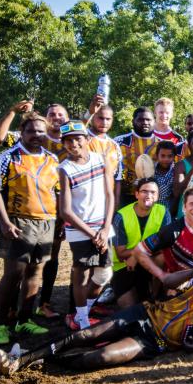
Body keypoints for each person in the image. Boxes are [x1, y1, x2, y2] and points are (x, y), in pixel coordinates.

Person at [0, 258, 193, 375]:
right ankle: (21, 358)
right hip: (143, 315)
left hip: (155, 342)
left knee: (98, 357)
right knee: (85, 334)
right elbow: (168, 281)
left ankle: (43, 360)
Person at [0, 101, 70, 319]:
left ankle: (25, 319)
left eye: (40, 131)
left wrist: (61, 222)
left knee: (35, 272)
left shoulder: (52, 159)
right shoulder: (6, 158)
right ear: (22, 132)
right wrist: (5, 222)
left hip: (47, 222)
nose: (36, 135)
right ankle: (2, 323)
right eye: (31, 131)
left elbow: (59, 192)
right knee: (14, 274)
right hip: (18, 221)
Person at [57, 120, 115, 330]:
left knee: (104, 273)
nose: (73, 144)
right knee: (81, 275)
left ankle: (83, 312)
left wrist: (106, 228)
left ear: (87, 140)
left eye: (77, 139)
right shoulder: (65, 169)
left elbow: (109, 195)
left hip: (103, 227)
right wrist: (93, 234)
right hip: (80, 231)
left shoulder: (101, 160)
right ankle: (81, 320)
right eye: (68, 141)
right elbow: (66, 211)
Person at [111, 178, 172, 308]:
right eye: (144, 191)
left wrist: (136, 255)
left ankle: (154, 297)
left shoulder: (163, 212)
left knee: (163, 257)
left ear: (157, 196)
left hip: (149, 263)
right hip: (125, 267)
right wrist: (138, 254)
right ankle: (115, 290)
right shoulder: (120, 216)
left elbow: (166, 246)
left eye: (152, 192)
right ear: (136, 194)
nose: (148, 195)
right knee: (130, 311)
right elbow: (121, 254)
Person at [114, 107, 158, 207]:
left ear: (154, 121)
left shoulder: (160, 144)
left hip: (150, 196)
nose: (145, 122)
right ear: (133, 121)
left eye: (148, 120)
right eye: (141, 119)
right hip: (124, 196)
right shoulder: (119, 142)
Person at [86, 97, 123, 205]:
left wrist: (115, 202)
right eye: (101, 118)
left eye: (108, 119)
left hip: (106, 201)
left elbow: (118, 178)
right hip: (86, 199)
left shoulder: (114, 145)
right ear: (93, 117)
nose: (104, 122)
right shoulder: (82, 138)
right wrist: (89, 112)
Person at [152, 141, 176, 209]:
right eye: (162, 156)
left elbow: (175, 195)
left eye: (170, 156)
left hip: (167, 209)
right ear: (157, 155)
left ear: (174, 157)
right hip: (150, 208)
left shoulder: (176, 171)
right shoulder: (151, 170)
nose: (166, 159)